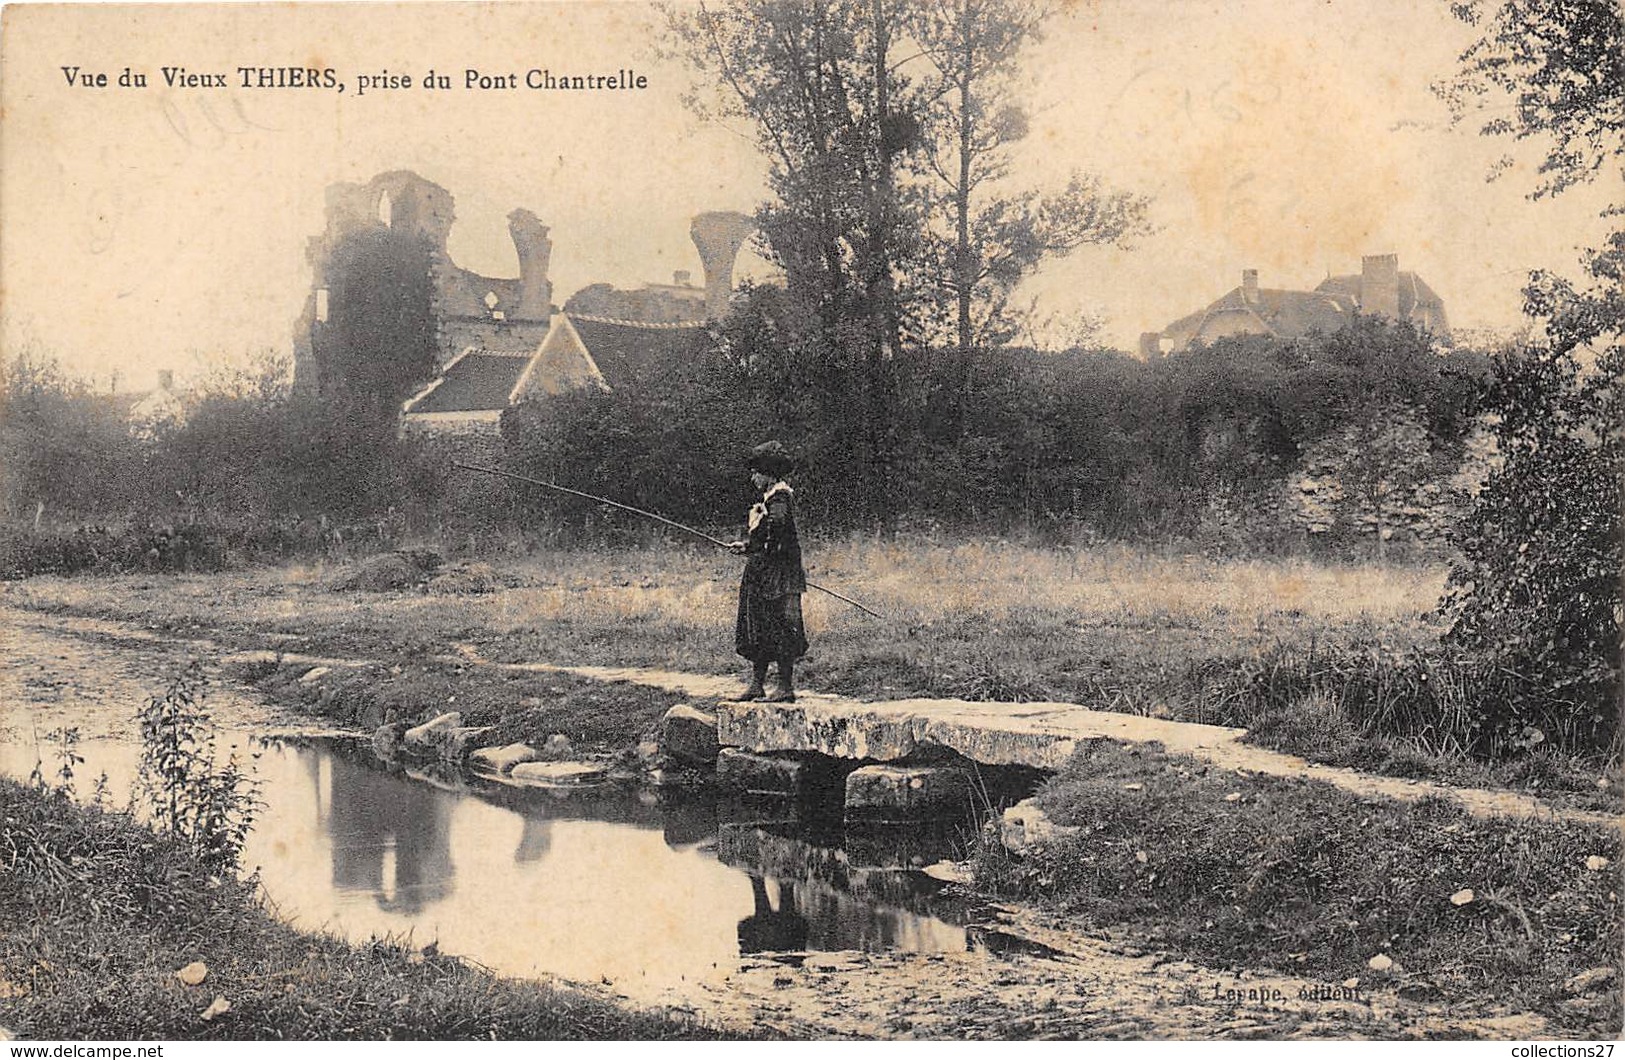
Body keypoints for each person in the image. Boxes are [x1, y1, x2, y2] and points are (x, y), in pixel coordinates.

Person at [728, 441, 808, 702]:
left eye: (756, 472)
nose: (753, 477)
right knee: (758, 625)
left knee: (781, 626)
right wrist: (748, 546)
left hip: (779, 575)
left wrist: (759, 549)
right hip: (763, 572)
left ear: (768, 472)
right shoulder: (769, 498)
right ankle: (757, 685)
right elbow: (766, 535)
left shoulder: (780, 497)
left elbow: (778, 530)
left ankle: (785, 687)